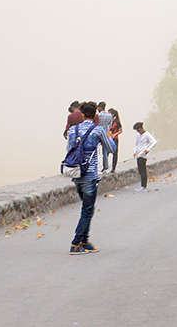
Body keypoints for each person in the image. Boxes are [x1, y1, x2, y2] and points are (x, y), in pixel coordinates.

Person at [66, 101, 116, 254]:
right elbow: (111, 148)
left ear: (81, 114)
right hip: (90, 175)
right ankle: (75, 244)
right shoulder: (98, 130)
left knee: (86, 208)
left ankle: (84, 241)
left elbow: (69, 149)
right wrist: (108, 135)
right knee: (87, 210)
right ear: (95, 115)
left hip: (76, 174)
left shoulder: (73, 130)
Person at [133, 122, 157, 191]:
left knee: (143, 170)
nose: (138, 132)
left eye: (138, 130)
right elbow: (136, 144)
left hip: (143, 155)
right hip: (138, 154)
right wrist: (135, 152)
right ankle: (142, 186)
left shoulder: (147, 134)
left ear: (141, 128)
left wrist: (148, 149)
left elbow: (154, 142)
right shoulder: (138, 135)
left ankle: (144, 186)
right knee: (140, 171)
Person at [96, 102, 114, 173]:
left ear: (100, 107)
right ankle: (105, 166)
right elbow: (110, 126)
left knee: (97, 151)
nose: (97, 109)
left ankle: (98, 167)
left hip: (98, 133)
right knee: (105, 151)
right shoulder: (109, 115)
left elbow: (96, 124)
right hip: (105, 133)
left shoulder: (98, 115)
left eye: (98, 107)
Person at [108, 108, 123, 172]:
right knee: (107, 152)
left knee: (115, 153)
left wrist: (115, 134)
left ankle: (113, 168)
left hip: (115, 139)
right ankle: (105, 166)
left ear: (113, 114)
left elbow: (121, 130)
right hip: (109, 138)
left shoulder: (117, 121)